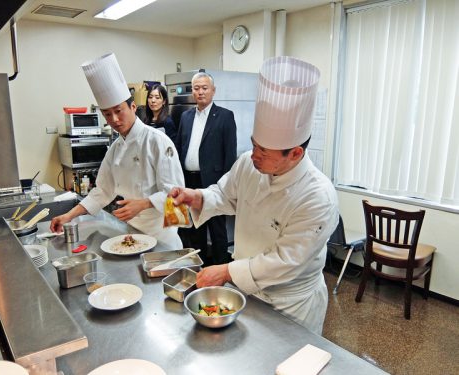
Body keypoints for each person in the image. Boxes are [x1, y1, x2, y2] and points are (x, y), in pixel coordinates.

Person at [170, 56, 339, 335]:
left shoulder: (317, 196)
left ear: (295, 153)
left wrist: (226, 271)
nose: (254, 155)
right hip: (246, 292)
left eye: (264, 151)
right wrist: (197, 197)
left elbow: (285, 262)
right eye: (254, 144)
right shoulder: (249, 163)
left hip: (290, 303)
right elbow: (224, 194)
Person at [50, 53, 184, 249]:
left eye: (118, 110)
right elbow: (103, 190)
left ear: (132, 107)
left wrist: (143, 203)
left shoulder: (157, 141)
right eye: (107, 114)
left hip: (162, 238)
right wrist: (68, 215)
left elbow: (177, 194)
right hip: (133, 234)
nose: (113, 119)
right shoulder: (115, 148)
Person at [175, 71, 237, 266]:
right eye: (196, 88)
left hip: (214, 183)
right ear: (192, 91)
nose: (200, 92)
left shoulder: (225, 116)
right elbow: (179, 147)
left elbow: (230, 154)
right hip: (189, 181)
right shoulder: (185, 116)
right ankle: (198, 267)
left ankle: (220, 269)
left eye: (204, 88)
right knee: (195, 228)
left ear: (213, 91)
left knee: (217, 229)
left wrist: (226, 185)